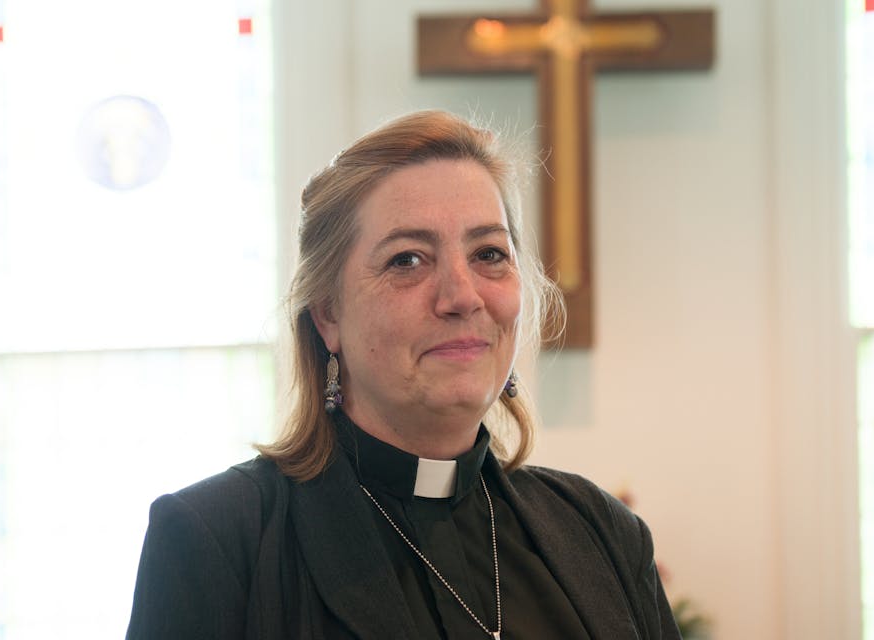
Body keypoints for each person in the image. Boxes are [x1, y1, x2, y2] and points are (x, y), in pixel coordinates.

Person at [126, 110, 681, 639]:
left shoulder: (602, 533)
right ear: (328, 315)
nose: (462, 296)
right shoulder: (217, 540)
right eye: (407, 260)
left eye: (489, 253)